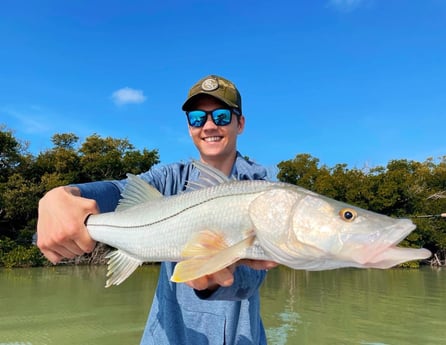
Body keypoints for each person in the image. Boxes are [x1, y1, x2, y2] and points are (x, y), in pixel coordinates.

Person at [37, 74, 278, 345]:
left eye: (221, 116)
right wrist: (64, 196)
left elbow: (254, 274)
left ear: (240, 123)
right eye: (197, 118)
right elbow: (117, 192)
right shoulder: (168, 178)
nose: (209, 126)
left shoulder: (261, 186)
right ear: (189, 128)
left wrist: (216, 279)